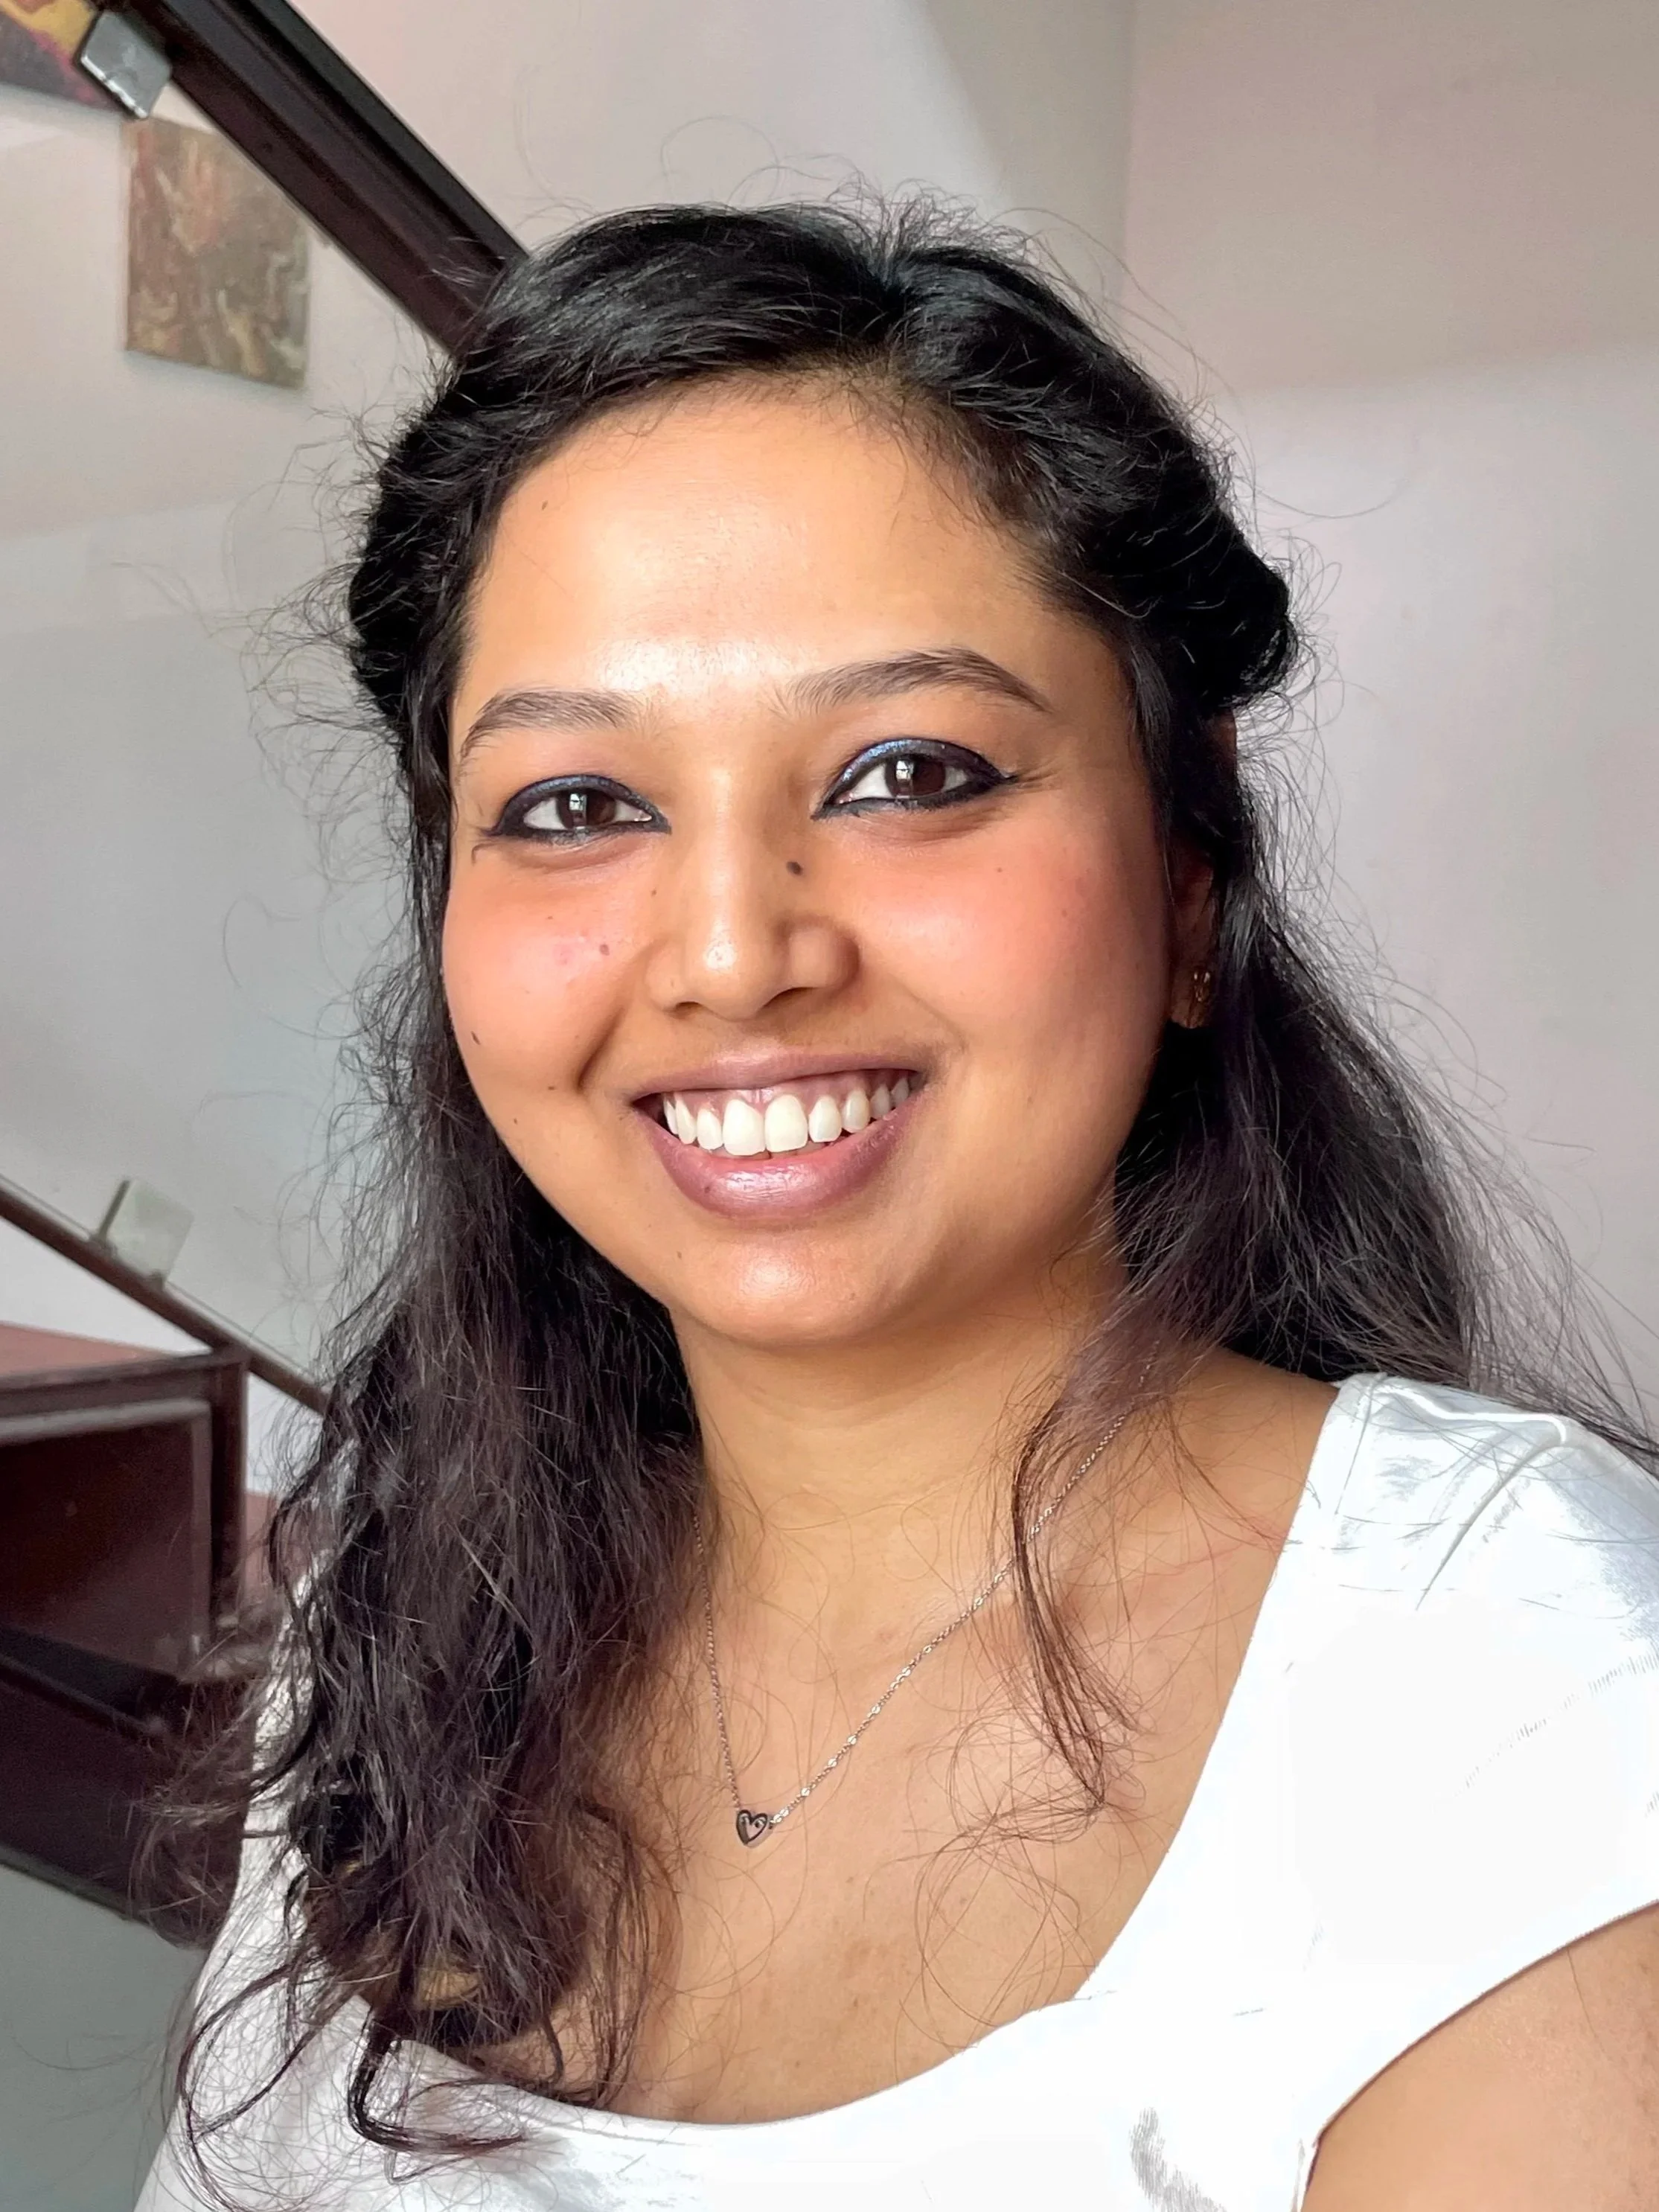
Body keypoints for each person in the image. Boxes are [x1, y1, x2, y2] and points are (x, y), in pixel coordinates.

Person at [140, 202, 1659, 2212]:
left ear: (1187, 881)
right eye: (576, 805)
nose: (728, 952)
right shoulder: (415, 1609)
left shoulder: (1518, 1693)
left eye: (908, 773)